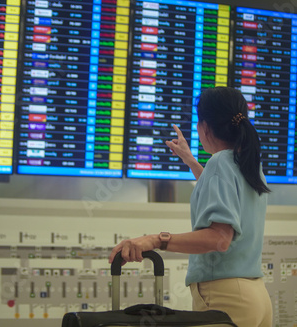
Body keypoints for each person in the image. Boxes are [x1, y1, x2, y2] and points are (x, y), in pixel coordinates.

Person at [108, 87, 272, 327]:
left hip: (226, 296)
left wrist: (156, 240)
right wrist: (191, 161)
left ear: (205, 126)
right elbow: (224, 191)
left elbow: (220, 238)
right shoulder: (248, 164)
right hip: (256, 296)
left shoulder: (220, 164)